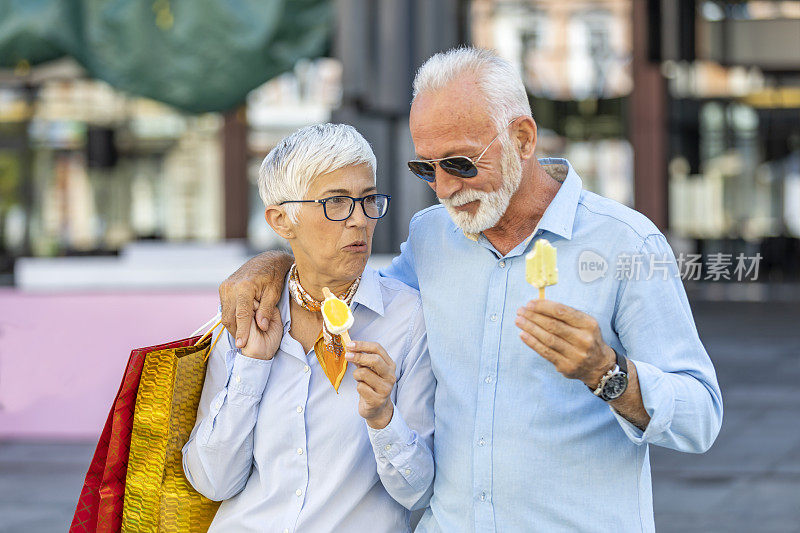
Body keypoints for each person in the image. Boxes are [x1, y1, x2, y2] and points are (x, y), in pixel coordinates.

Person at [220, 48, 723, 532]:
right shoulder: (430, 235)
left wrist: (608, 374)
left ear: (523, 139)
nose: (443, 188)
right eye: (426, 168)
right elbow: (353, 292)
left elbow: (700, 417)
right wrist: (274, 262)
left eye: (460, 164)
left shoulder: (626, 243)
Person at [183, 123, 435, 533]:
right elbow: (212, 481)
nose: (359, 221)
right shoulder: (247, 314)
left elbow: (419, 493)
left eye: (368, 200)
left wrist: (383, 417)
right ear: (282, 220)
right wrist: (252, 366)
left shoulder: (407, 321)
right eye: (336, 202)